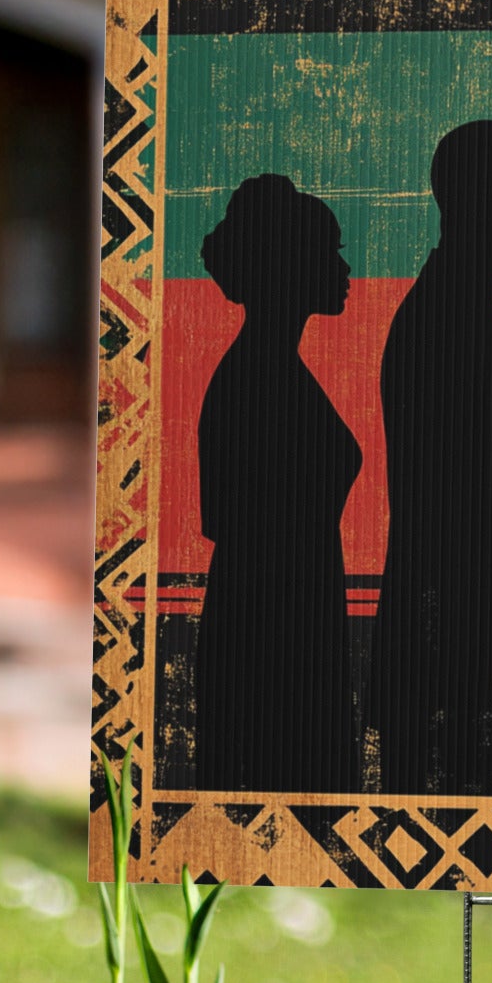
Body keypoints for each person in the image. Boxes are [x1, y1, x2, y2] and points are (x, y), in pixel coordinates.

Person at [367, 120, 492, 791]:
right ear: (485, 199)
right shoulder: (449, 318)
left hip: (478, 645)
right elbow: (457, 514)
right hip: (454, 653)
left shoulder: (482, 308)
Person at [193, 175, 363, 791]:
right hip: (269, 634)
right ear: (289, 264)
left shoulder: (275, 369)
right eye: (330, 250)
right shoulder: (255, 380)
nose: (345, 268)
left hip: (295, 614)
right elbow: (229, 520)